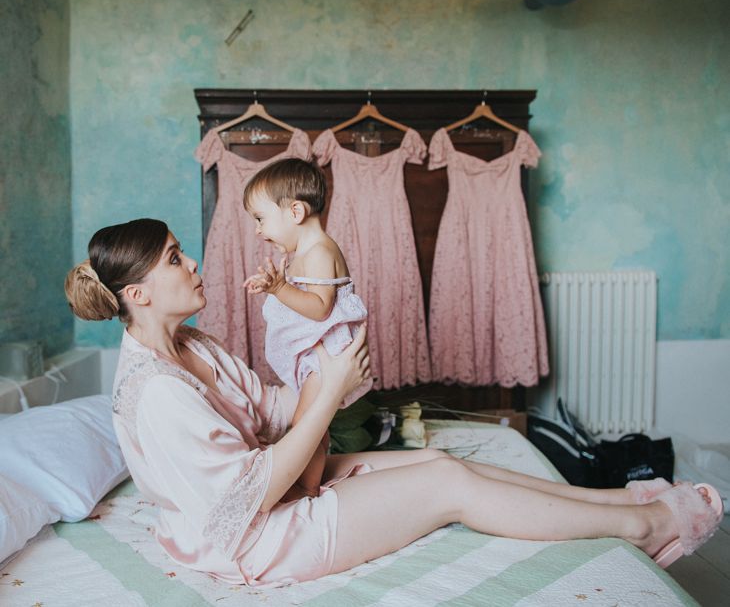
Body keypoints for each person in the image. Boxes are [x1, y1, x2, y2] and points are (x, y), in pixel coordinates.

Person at [65, 218, 723, 587]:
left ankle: (620, 501)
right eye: (177, 260)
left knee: (440, 466)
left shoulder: (194, 345)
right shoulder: (155, 393)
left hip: (284, 490)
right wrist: (323, 403)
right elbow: (253, 492)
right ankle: (645, 526)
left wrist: (333, 377)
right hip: (257, 540)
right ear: (139, 295)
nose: (194, 266)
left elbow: (269, 406)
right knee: (448, 489)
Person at [241, 158, 371, 500]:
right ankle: (310, 480)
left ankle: (306, 488)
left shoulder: (318, 251)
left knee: (305, 424)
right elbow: (302, 297)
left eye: (260, 219)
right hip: (319, 352)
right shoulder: (304, 251)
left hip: (327, 355)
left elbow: (320, 307)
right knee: (313, 422)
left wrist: (279, 289)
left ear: (295, 212)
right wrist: (276, 283)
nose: (258, 229)